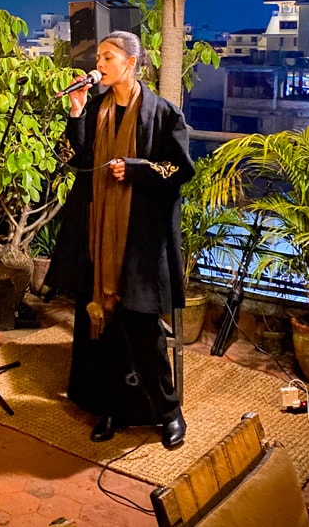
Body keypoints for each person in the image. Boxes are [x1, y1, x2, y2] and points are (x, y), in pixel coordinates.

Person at [46, 30, 195, 450]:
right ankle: (109, 408)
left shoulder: (164, 114)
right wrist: (76, 113)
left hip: (140, 242)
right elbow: (78, 164)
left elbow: (181, 170)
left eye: (108, 57)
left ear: (131, 63)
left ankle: (167, 413)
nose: (100, 64)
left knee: (144, 330)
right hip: (98, 235)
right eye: (99, 57)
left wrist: (136, 169)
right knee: (103, 330)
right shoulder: (96, 109)